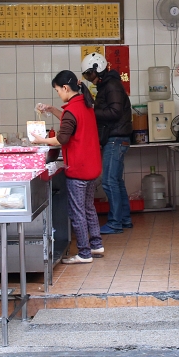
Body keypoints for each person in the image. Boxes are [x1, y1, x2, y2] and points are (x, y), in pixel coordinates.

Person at [35, 71, 105, 264]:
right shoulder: (85, 104)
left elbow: (62, 138)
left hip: (79, 169)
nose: (58, 93)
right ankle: (96, 245)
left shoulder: (72, 111)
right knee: (88, 207)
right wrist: (51, 109)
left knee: (77, 211)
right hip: (92, 167)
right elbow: (68, 119)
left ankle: (84, 253)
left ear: (65, 88)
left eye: (57, 90)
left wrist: (41, 140)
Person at [81, 52, 134, 235]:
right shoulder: (107, 85)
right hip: (117, 138)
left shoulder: (111, 85)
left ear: (98, 69)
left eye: (89, 74)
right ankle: (124, 219)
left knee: (109, 182)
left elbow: (114, 112)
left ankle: (114, 223)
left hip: (116, 138)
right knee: (116, 181)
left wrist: (91, 113)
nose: (89, 78)